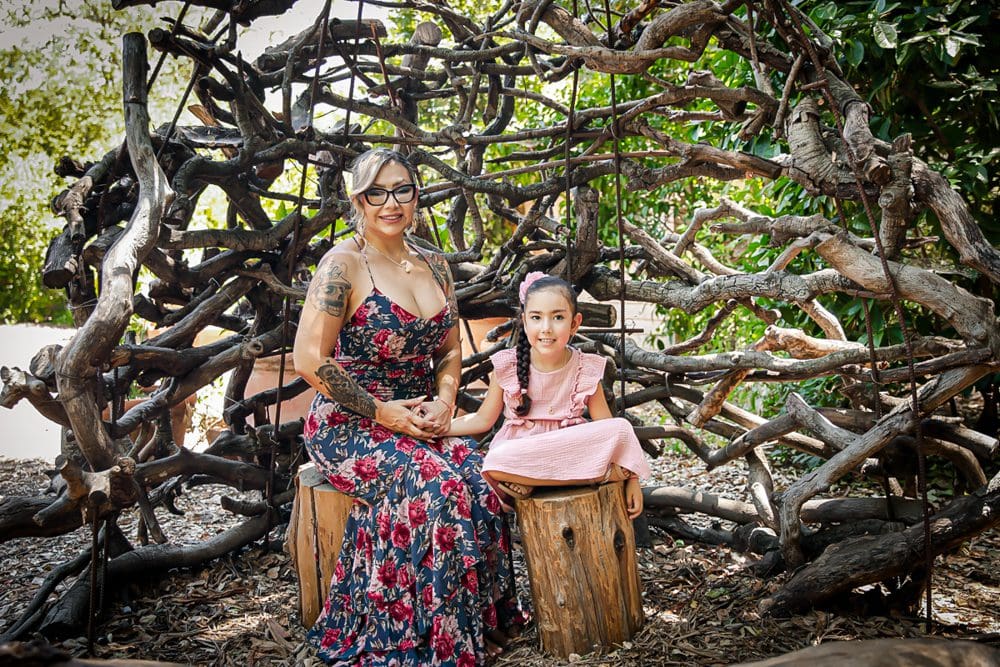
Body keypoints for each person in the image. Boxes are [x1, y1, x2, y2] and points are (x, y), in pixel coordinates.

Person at [293, 148, 525, 666]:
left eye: (402, 189)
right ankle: (421, 635)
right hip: (351, 421)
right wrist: (383, 413)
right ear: (358, 200)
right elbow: (308, 359)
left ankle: (473, 621)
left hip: (418, 415)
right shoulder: (342, 264)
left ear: (416, 194)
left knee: (479, 480)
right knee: (438, 489)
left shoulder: (434, 263)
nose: (390, 202)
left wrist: (444, 402)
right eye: (377, 192)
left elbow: (448, 349)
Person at [447, 272, 651, 519]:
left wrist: (633, 479)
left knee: (620, 427)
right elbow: (482, 420)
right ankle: (581, 476)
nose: (546, 328)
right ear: (524, 321)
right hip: (523, 451)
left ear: (575, 323)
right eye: (536, 317)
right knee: (495, 459)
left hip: (569, 448)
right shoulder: (509, 365)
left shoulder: (585, 367)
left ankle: (538, 480)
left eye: (557, 317)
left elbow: (608, 428)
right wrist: (438, 427)